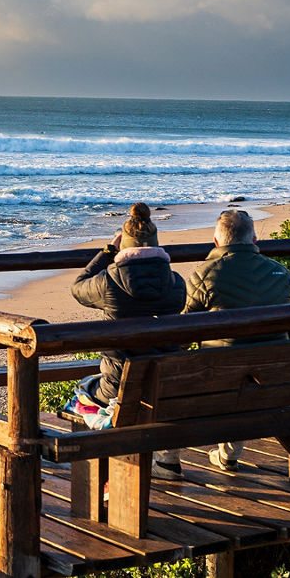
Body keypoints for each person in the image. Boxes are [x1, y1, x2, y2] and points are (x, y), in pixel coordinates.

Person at [71, 202, 187, 479]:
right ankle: (168, 459)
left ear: (124, 246)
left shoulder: (109, 282)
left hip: (118, 388)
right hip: (165, 385)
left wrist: (106, 253)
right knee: (150, 383)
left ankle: (108, 470)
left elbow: (78, 287)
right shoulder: (177, 283)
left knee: (82, 391)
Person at [184, 208, 290, 472]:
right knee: (246, 367)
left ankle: (167, 458)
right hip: (276, 379)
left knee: (179, 373)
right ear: (254, 240)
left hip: (218, 383)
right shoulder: (282, 274)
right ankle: (228, 453)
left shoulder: (205, 274)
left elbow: (178, 333)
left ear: (216, 242)